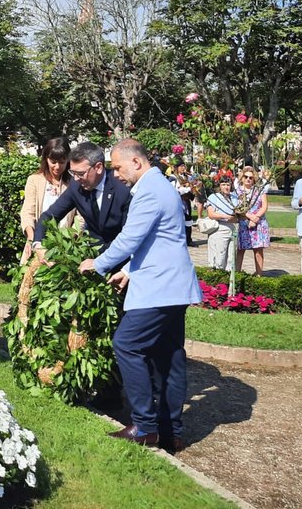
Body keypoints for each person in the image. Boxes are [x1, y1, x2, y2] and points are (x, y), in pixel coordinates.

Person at [79, 139, 202, 452]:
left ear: (136, 162)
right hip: (173, 288)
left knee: (126, 344)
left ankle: (145, 426)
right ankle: (169, 430)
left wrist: (99, 264)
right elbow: (158, 241)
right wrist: (129, 271)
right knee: (169, 358)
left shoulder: (149, 190)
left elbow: (130, 238)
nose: (116, 174)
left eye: (118, 167)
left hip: (159, 289)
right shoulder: (161, 187)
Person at [31, 141, 131, 254]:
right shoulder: (76, 186)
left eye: (80, 173)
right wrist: (38, 244)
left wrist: (100, 263)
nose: (76, 178)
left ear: (98, 167)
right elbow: (49, 216)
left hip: (121, 258)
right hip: (90, 256)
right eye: (73, 172)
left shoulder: (123, 188)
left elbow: (128, 237)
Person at [19, 138, 76, 263]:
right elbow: (28, 212)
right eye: (53, 162)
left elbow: (80, 217)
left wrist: (73, 238)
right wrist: (32, 239)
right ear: (46, 159)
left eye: (62, 162)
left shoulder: (74, 183)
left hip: (66, 247)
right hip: (37, 243)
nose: (57, 166)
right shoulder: (34, 180)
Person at [236, 166, 270, 276]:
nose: (248, 179)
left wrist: (256, 218)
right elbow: (238, 208)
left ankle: (259, 274)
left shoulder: (260, 190)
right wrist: (250, 217)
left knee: (258, 250)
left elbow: (264, 206)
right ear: (242, 178)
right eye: (246, 177)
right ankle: (237, 273)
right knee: (240, 250)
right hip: (243, 222)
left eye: (251, 177)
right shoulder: (237, 192)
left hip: (259, 223)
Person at [205, 178, 239, 270]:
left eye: (228, 185)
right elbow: (211, 214)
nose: (226, 187)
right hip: (219, 228)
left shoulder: (234, 198)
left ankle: (228, 280)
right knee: (219, 257)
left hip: (232, 228)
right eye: (223, 184)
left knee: (231, 259)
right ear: (219, 186)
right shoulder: (214, 197)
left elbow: (238, 214)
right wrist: (227, 216)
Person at [169, 163, 197, 246]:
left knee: (188, 220)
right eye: (181, 166)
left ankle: (188, 239)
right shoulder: (172, 178)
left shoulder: (187, 177)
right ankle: (176, 239)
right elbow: (174, 190)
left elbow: (193, 185)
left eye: (184, 166)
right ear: (176, 168)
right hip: (177, 202)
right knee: (177, 220)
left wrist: (193, 187)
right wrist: (187, 189)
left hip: (186, 201)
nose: (183, 168)